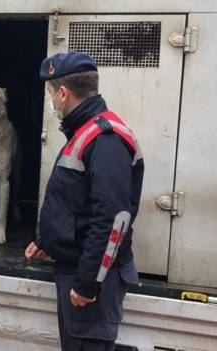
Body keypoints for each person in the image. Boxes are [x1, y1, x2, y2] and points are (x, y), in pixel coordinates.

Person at [24, 52, 144, 351]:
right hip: (74, 267)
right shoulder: (84, 132)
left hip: (91, 281)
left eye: (52, 93)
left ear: (63, 93)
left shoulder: (105, 138)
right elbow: (75, 201)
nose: (52, 101)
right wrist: (47, 241)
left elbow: (113, 219)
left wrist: (89, 282)